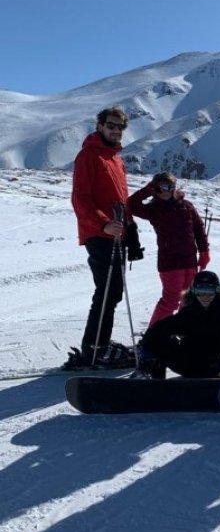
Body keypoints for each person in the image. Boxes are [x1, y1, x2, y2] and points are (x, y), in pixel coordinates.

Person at [66, 106, 144, 369]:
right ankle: (95, 348)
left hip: (116, 233)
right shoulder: (89, 156)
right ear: (100, 126)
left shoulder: (115, 159)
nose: (115, 130)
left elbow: (121, 201)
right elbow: (80, 199)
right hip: (99, 234)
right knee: (108, 290)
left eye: (120, 127)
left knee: (113, 291)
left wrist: (130, 233)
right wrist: (103, 224)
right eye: (111, 125)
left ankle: (100, 345)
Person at [127, 171, 210, 327]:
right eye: (161, 187)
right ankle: (152, 337)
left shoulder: (186, 206)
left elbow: (198, 229)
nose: (166, 191)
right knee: (171, 301)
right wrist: (147, 189)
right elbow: (131, 204)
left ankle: (181, 333)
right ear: (155, 189)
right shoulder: (153, 209)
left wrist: (204, 252)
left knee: (188, 300)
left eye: (169, 186)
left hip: (190, 261)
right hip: (170, 263)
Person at [136, 270, 220, 379]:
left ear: (217, 291)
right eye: (201, 292)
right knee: (159, 340)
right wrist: (148, 347)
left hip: (217, 366)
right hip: (190, 364)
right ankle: (153, 383)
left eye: (209, 291)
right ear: (194, 292)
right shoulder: (189, 312)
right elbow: (160, 328)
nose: (205, 296)